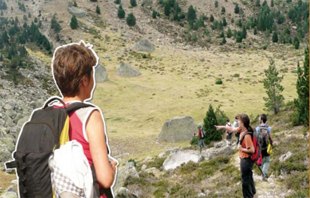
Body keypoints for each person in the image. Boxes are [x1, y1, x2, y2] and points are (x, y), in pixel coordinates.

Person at [51, 41, 117, 198]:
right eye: (92, 75)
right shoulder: (89, 116)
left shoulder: (49, 113)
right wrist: (112, 169)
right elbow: (105, 179)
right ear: (85, 81)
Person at [215, 114, 256, 198]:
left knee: (245, 180)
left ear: (243, 122)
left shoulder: (246, 135)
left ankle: (248, 196)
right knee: (249, 176)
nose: (237, 121)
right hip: (245, 159)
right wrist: (222, 127)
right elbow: (232, 129)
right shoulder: (241, 129)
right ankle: (253, 193)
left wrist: (241, 148)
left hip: (246, 160)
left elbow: (252, 150)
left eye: (239, 120)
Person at [256, 114, 273, 181]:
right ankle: (264, 173)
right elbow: (271, 138)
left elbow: (255, 138)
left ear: (261, 119)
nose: (258, 118)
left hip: (260, 147)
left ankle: (262, 173)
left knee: (261, 161)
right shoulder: (268, 128)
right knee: (267, 161)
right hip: (266, 146)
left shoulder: (257, 128)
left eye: (259, 117)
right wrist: (271, 144)